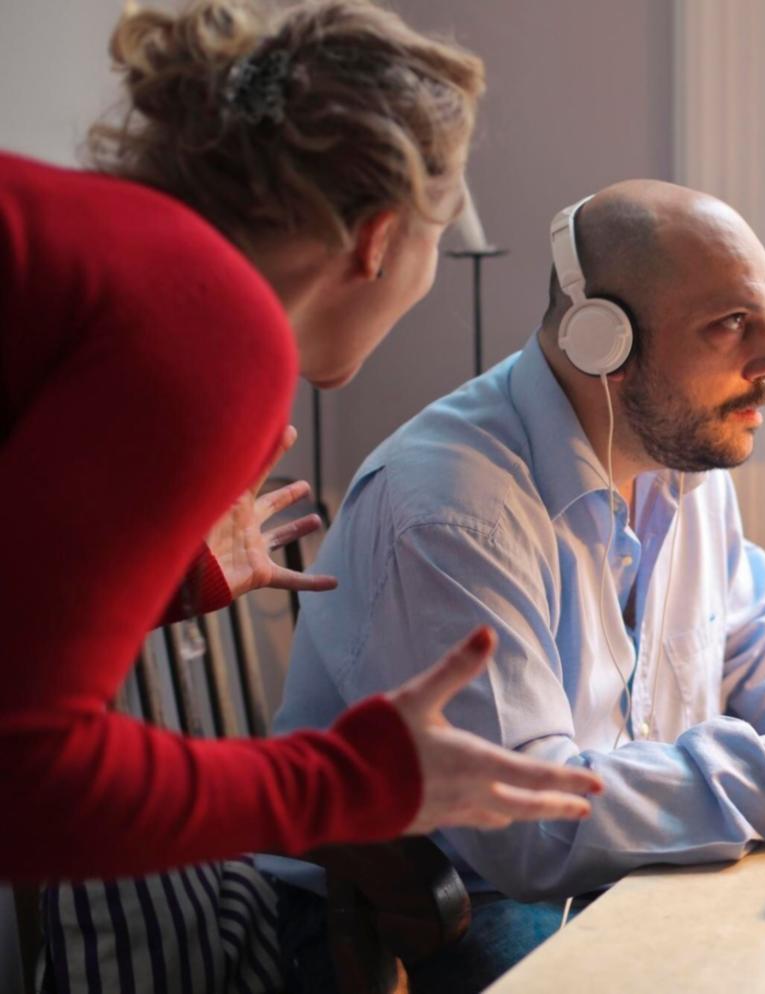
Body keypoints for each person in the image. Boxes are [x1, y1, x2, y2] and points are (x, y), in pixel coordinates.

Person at [275, 179, 765, 988]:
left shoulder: (678, 461)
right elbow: (528, 828)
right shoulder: (449, 513)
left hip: (611, 868)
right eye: (730, 325)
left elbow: (748, 645)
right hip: (442, 909)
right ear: (601, 340)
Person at [0, 0, 600, 885]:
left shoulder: (106, 249)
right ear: (380, 239)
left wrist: (163, 587)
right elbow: (29, 792)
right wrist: (356, 780)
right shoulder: (210, 322)